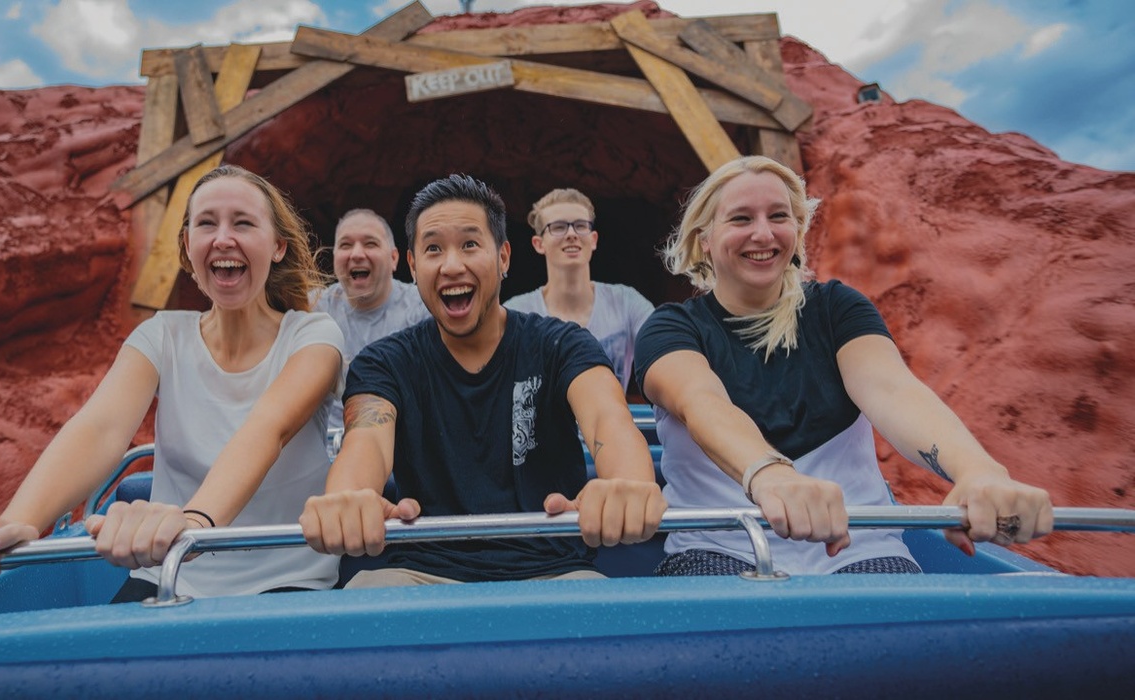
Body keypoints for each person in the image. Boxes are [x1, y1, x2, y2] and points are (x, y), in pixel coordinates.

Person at [0, 165, 345, 601]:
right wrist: (13, 525)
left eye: (244, 223)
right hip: (169, 575)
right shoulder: (162, 335)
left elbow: (267, 428)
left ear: (277, 248)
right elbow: (100, 428)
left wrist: (192, 525)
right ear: (188, 247)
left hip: (287, 576)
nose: (223, 238)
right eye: (206, 223)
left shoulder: (313, 335)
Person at [633, 155, 1053, 576]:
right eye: (741, 219)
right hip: (723, 544)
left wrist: (977, 470)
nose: (763, 233)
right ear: (705, 239)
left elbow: (892, 390)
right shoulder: (671, 327)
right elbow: (702, 401)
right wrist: (769, 474)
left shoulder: (837, 309)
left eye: (778, 216)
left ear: (797, 230)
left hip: (859, 547)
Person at [299, 174, 666, 587]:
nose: (452, 265)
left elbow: (607, 420)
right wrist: (350, 499)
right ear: (415, 266)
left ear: (504, 257)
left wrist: (627, 485)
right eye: (434, 248)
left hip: (555, 572)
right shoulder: (385, 363)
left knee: (603, 611)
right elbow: (365, 441)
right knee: (365, 595)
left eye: (470, 244)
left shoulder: (561, 344)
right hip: (420, 571)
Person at [505, 188, 654, 392]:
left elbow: (662, 348)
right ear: (539, 244)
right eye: (558, 227)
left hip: (613, 421)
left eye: (580, 226)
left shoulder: (627, 302)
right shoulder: (516, 313)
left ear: (593, 239)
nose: (572, 234)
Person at [311, 208, 430, 431]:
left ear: (394, 258)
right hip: (329, 447)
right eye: (346, 245)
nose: (357, 254)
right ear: (334, 257)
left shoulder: (423, 309)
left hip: (401, 443)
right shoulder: (312, 309)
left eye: (370, 244)